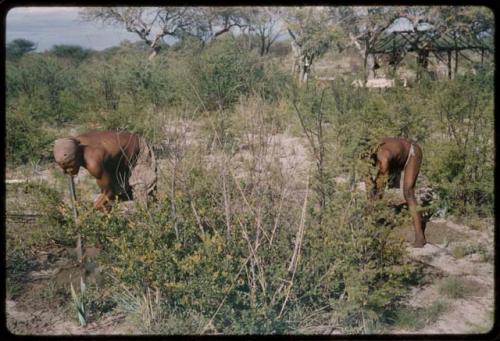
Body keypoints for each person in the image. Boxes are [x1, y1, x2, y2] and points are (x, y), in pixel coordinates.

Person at [53, 130, 156, 210]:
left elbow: (108, 194)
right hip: (116, 161)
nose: (66, 172)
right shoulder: (73, 144)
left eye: (69, 167)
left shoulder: (93, 162)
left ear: (77, 156)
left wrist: (88, 215)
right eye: (64, 169)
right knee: (114, 199)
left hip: (138, 151)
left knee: (144, 201)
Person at [365, 137, 426, 247]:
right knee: (373, 196)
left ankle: (420, 237)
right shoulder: (365, 158)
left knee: (408, 193)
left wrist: (373, 203)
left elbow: (380, 188)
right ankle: (372, 228)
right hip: (396, 157)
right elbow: (368, 185)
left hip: (411, 153)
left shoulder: (383, 157)